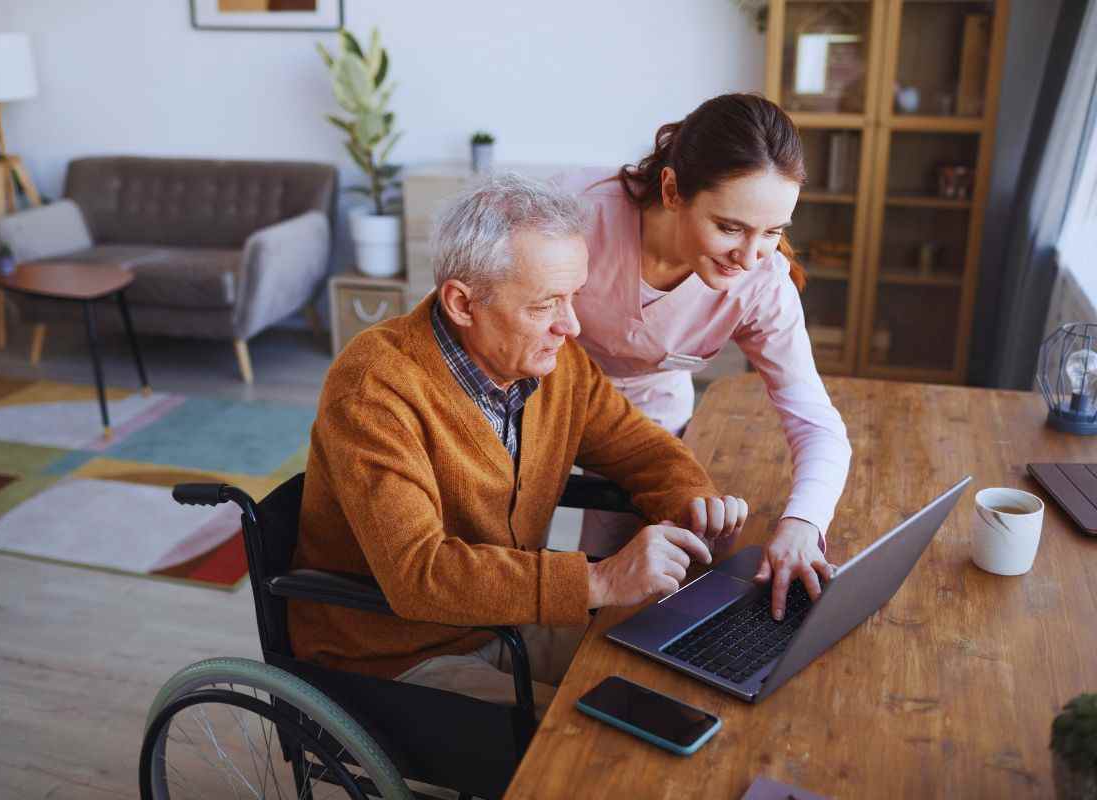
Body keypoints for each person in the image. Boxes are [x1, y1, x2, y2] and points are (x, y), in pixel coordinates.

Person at [288, 173, 747, 715]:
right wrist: (598, 580)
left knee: (680, 674)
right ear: (462, 303)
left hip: (506, 622)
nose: (571, 326)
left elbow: (636, 446)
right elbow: (420, 574)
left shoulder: (554, 364)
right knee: (600, 734)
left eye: (574, 297)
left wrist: (693, 499)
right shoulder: (374, 386)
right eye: (544, 305)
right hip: (394, 654)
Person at [559, 93, 852, 621]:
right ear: (672, 190)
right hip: (544, 396)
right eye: (731, 227)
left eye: (773, 231)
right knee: (529, 555)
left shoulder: (761, 283)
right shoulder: (576, 219)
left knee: (632, 586)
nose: (749, 256)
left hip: (649, 416)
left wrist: (804, 523)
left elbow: (816, 421)